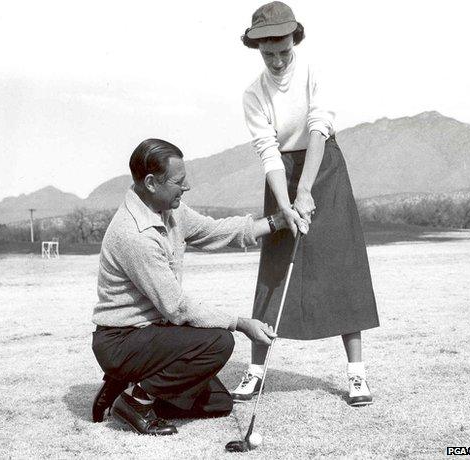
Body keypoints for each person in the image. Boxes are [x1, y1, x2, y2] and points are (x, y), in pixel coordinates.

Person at [90, 138, 308, 436]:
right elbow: (177, 307)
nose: (187, 187)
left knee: (219, 403)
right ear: (152, 183)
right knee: (219, 343)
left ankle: (121, 389)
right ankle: (137, 402)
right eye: (179, 181)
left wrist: (278, 221)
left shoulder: (170, 210)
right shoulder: (134, 234)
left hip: (152, 334)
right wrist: (241, 324)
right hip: (122, 341)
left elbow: (215, 231)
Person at [231, 1, 380, 407]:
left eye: (284, 50)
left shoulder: (315, 71)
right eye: (268, 53)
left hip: (324, 168)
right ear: (256, 49)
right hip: (281, 174)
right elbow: (268, 153)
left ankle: (356, 375)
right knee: (275, 269)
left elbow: (319, 128)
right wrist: (284, 205)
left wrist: (305, 191)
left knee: (342, 266)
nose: (277, 60)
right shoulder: (253, 94)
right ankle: (256, 372)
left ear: (294, 40)